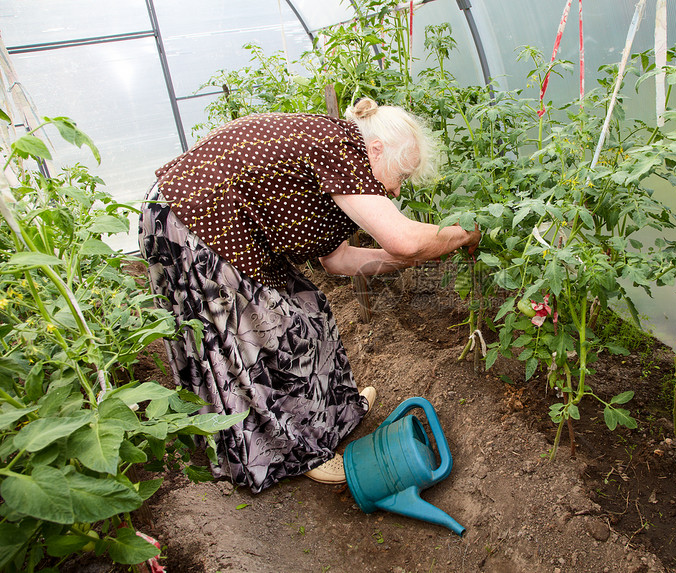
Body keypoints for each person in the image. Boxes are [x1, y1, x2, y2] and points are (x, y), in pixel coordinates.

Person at [138, 98, 480, 493]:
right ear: (378, 149)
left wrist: (404, 260)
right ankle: (297, 452)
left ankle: (335, 416)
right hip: (193, 224)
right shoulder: (343, 150)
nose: (396, 188)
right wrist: (464, 232)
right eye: (400, 174)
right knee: (268, 336)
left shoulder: (341, 153)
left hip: (213, 224)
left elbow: (338, 260)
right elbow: (403, 239)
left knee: (309, 309)